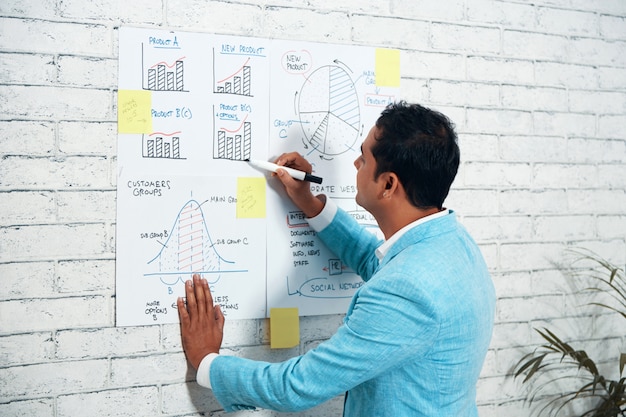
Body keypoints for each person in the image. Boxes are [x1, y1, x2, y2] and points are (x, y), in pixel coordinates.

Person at [178, 101, 496, 416]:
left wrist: (207, 360)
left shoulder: (406, 288)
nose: (356, 164)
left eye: (365, 157)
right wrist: (308, 201)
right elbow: (379, 265)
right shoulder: (453, 243)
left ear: (388, 184)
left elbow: (296, 386)